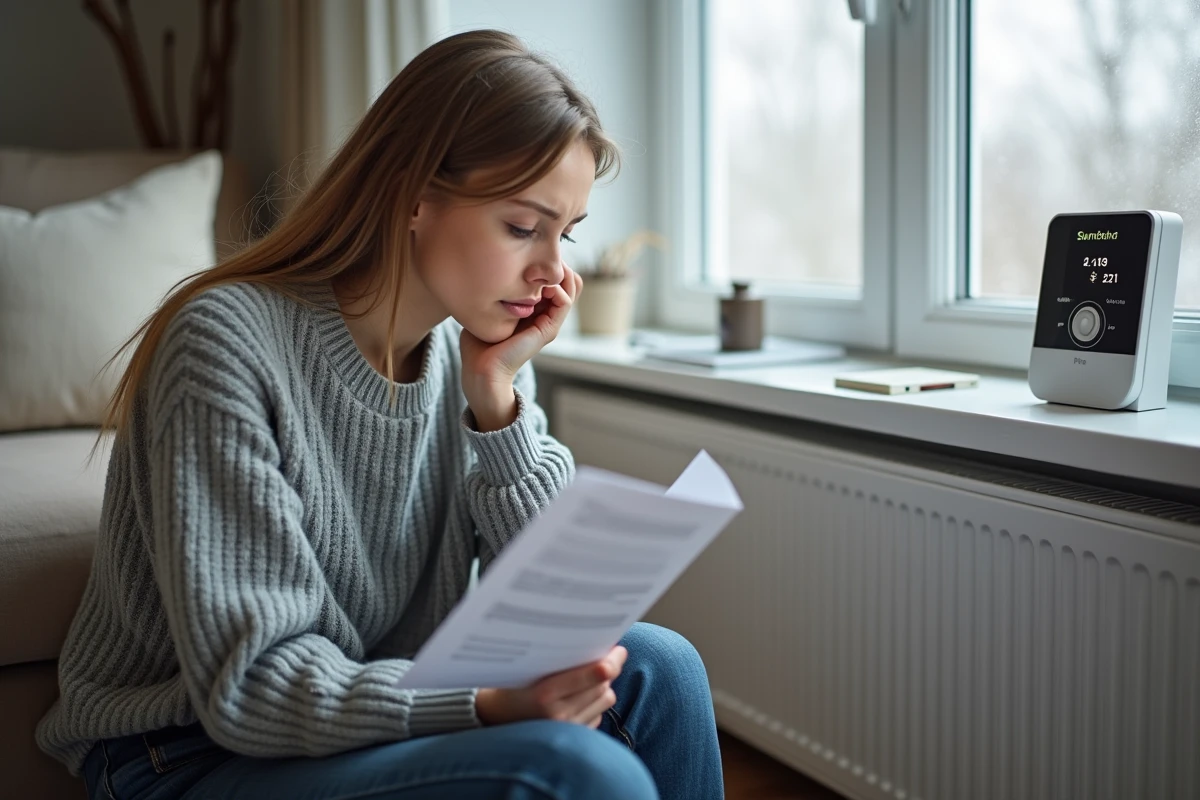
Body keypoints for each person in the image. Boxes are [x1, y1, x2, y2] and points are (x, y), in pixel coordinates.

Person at [35, 28, 724, 800]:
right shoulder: (226, 342)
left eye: (566, 234)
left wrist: (498, 404)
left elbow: (560, 613)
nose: (553, 271)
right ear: (414, 194)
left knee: (662, 666)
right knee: (575, 770)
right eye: (524, 227)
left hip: (360, 720)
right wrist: (485, 704)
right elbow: (253, 681)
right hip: (184, 753)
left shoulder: (457, 367)